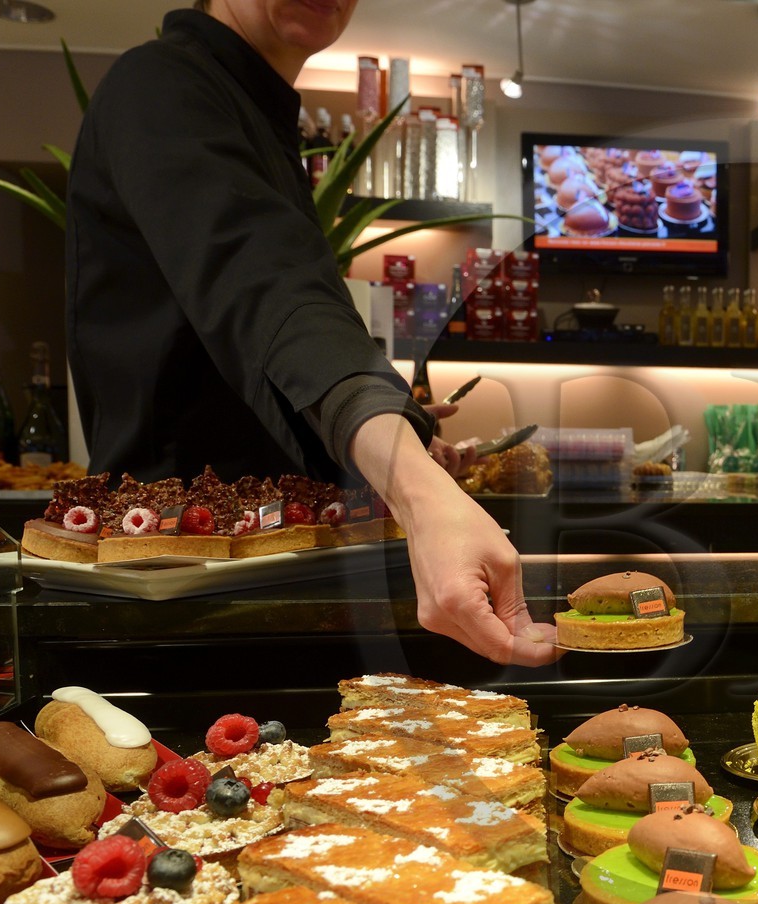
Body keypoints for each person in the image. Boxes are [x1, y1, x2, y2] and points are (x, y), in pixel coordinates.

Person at [65, 0, 559, 667]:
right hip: (179, 610)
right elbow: (271, 293)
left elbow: (260, 363)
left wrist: (398, 446)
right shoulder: (160, 84)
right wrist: (417, 487)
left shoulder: (258, 112)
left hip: (260, 592)